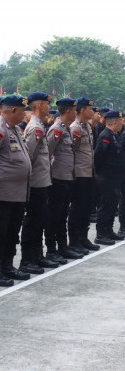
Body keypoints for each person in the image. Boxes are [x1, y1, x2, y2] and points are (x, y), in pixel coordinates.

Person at [20, 92, 59, 274]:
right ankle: (28, 259)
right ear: (38, 106)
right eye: (45, 104)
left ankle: (37, 256)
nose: (48, 107)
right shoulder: (35, 128)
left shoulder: (40, 126)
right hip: (36, 183)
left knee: (40, 221)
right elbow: (29, 158)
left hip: (42, 182)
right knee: (33, 222)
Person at [0, 95, 33, 285]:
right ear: (13, 110)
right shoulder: (1, 129)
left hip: (18, 193)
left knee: (12, 233)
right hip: (3, 194)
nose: (25, 114)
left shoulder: (15, 129)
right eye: (22, 110)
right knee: (1, 234)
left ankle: (8, 266)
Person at [46, 97, 82, 261]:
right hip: (57, 179)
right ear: (68, 110)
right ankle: (52, 250)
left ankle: (62, 247)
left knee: (62, 215)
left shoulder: (66, 129)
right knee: (54, 216)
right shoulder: (57, 130)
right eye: (74, 110)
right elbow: (48, 154)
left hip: (67, 178)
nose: (76, 112)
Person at [67, 97, 97, 254]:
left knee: (86, 207)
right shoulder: (75, 128)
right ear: (83, 110)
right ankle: (74, 241)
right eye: (90, 109)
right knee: (77, 208)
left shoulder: (87, 127)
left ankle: (83, 238)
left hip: (89, 172)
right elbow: (72, 151)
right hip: (79, 173)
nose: (92, 111)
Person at [94, 110, 125, 245]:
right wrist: (103, 175)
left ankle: (109, 230)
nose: (122, 123)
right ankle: (101, 234)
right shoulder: (105, 136)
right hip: (106, 177)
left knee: (112, 205)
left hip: (114, 177)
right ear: (114, 122)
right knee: (106, 205)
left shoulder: (115, 135)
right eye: (120, 120)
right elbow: (98, 157)